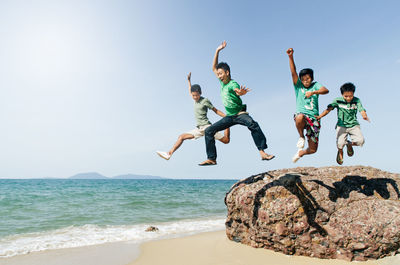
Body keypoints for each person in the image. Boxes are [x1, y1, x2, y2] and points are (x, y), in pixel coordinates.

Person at [198, 41, 274, 166]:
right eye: (218, 74)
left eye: (221, 73)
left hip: (240, 114)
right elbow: (213, 67)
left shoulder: (232, 84)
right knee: (209, 131)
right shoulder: (222, 82)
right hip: (229, 117)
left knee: (253, 124)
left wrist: (241, 92)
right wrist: (217, 51)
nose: (219, 76)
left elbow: (237, 91)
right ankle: (212, 158)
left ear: (227, 73)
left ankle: (262, 152)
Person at [156, 72, 230, 160]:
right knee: (181, 137)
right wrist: (188, 81)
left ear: (200, 93)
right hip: (199, 129)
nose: (195, 97)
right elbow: (190, 90)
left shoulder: (205, 100)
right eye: (193, 95)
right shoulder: (194, 98)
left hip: (207, 128)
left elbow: (215, 110)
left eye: (197, 95)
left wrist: (226, 116)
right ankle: (169, 154)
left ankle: (227, 125)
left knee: (226, 141)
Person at [286, 48, 329, 163]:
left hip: (314, 118)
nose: (306, 81)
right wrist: (291, 57)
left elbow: (326, 90)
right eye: (303, 79)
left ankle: (301, 152)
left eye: (308, 78)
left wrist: (314, 92)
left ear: (312, 79)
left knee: (313, 149)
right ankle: (301, 136)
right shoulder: (298, 87)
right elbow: (293, 72)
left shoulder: (315, 86)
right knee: (299, 117)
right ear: (300, 80)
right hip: (302, 116)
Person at [316, 82, 369, 165]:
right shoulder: (338, 101)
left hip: (353, 125)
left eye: (350, 96)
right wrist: (320, 116)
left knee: (360, 141)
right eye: (346, 96)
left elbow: (361, 109)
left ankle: (349, 144)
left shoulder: (356, 100)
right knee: (340, 144)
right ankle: (340, 152)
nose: (348, 98)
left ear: (353, 94)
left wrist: (364, 115)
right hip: (341, 126)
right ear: (342, 94)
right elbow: (329, 109)